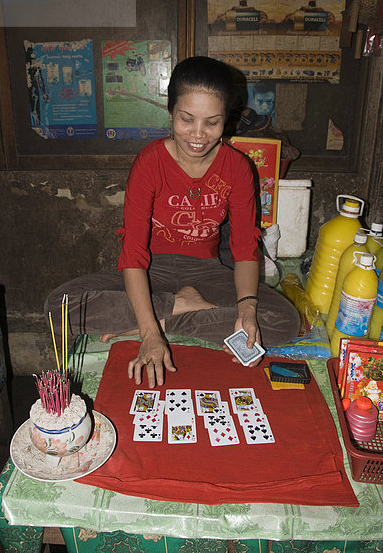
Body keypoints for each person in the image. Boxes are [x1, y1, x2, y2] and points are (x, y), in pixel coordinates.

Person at [44, 56, 300, 388]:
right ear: (170, 112)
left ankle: (160, 318)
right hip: (152, 269)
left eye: (212, 122)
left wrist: (247, 310)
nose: (198, 135)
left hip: (206, 270)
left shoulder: (237, 168)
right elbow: (133, 254)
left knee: (284, 322)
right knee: (57, 309)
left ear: (227, 121)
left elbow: (244, 249)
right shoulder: (150, 163)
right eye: (186, 119)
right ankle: (176, 307)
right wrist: (150, 333)